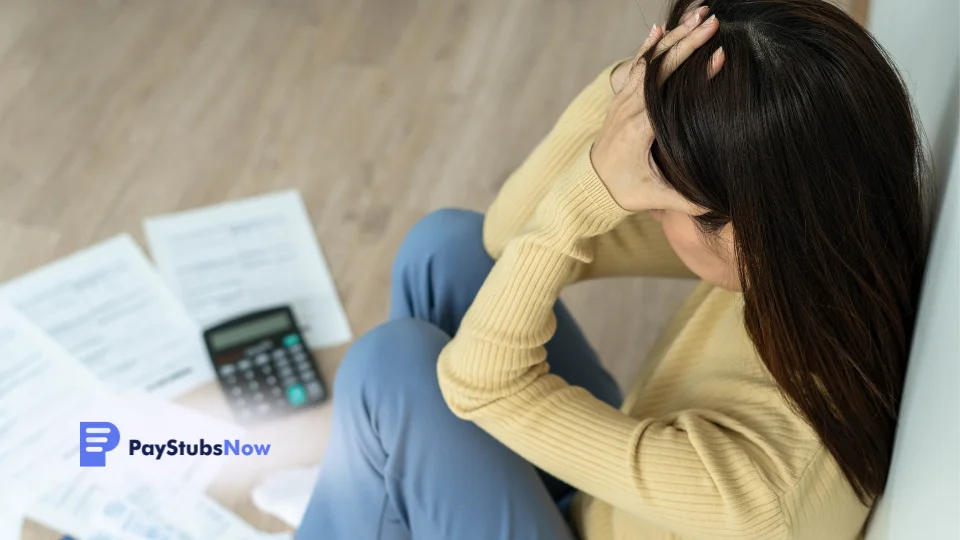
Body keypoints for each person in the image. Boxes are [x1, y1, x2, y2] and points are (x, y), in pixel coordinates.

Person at [296, 0, 928, 538]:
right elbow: (503, 236)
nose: (647, 212)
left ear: (739, 233)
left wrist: (588, 193)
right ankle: (386, 487)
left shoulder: (762, 493)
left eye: (662, 201)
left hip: (625, 510)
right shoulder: (829, 235)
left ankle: (375, 484)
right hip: (623, 496)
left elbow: (478, 385)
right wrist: (631, 89)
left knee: (392, 370)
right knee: (449, 248)